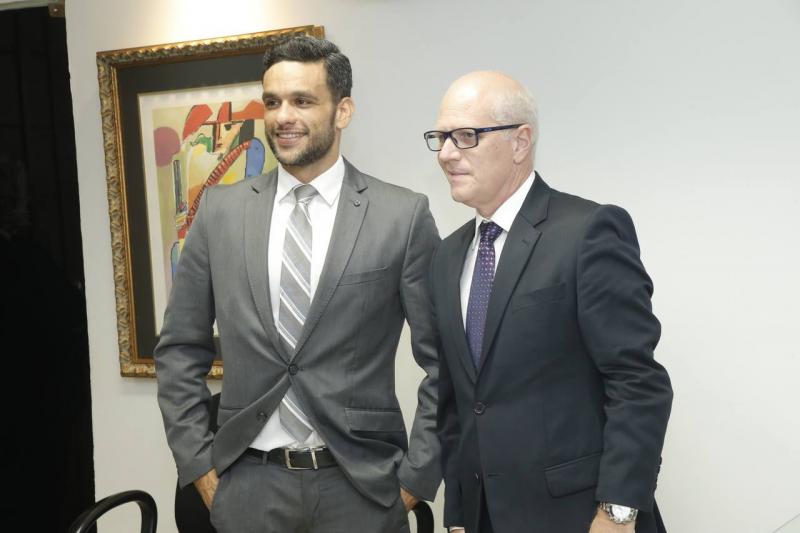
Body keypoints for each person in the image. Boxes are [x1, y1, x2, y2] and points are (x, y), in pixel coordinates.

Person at [155, 35, 441, 533]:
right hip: (247, 489)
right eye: (272, 102)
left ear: (343, 111)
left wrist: (414, 482)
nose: (282, 116)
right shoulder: (219, 212)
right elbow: (179, 349)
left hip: (362, 491)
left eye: (302, 101)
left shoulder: (402, 216)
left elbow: (445, 363)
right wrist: (201, 469)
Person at [426, 71, 673, 533]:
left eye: (466, 136)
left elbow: (637, 383)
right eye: (440, 138)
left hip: (582, 518)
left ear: (520, 141)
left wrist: (618, 513)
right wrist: (458, 515)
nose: (446, 153)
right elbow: (456, 404)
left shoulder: (588, 232)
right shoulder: (447, 257)